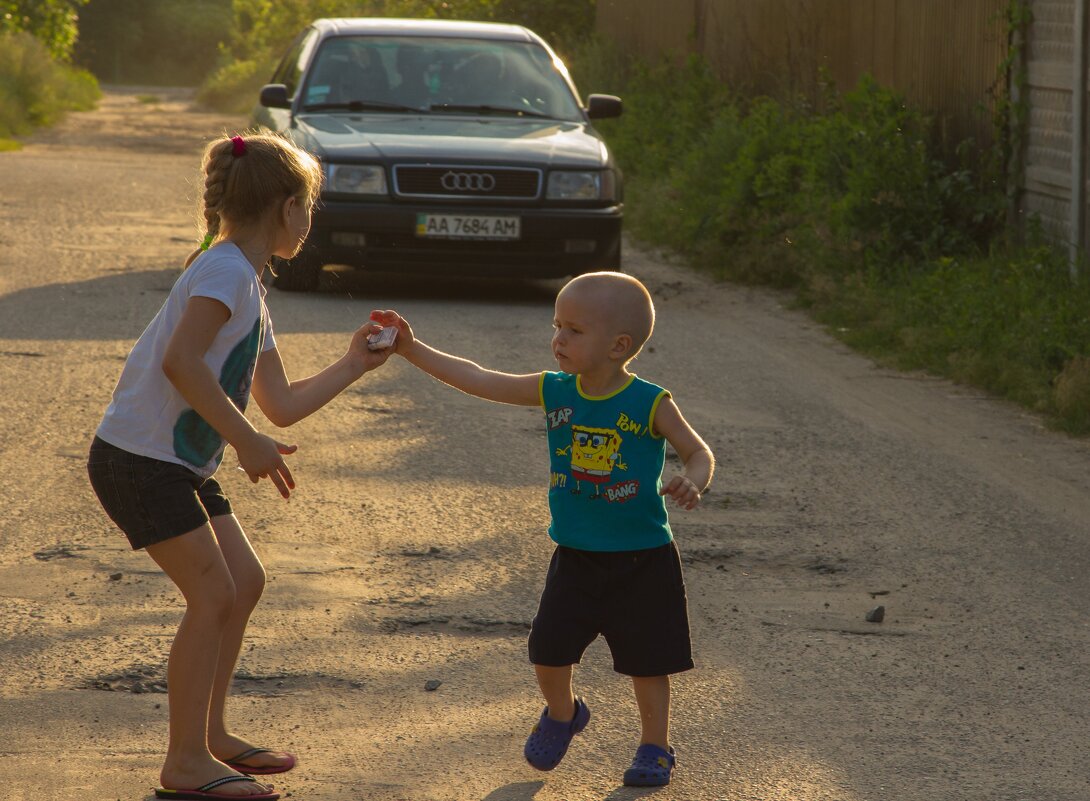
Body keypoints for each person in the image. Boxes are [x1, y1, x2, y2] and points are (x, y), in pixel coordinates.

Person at [87, 132, 394, 801]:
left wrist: (352, 364)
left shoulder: (247, 284)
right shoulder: (224, 272)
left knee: (243, 581)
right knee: (214, 594)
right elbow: (182, 361)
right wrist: (247, 440)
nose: (310, 222)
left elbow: (279, 404)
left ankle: (213, 735)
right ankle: (185, 761)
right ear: (288, 209)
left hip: (173, 464)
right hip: (139, 460)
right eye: (308, 207)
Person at [370, 271, 715, 787]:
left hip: (644, 559)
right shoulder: (554, 390)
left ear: (618, 345)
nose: (558, 339)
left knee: (649, 665)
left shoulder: (650, 402)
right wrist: (411, 350)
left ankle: (655, 747)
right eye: (557, 326)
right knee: (548, 653)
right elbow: (478, 377)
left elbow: (697, 451)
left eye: (574, 330)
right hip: (575, 558)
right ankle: (563, 711)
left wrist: (692, 479)